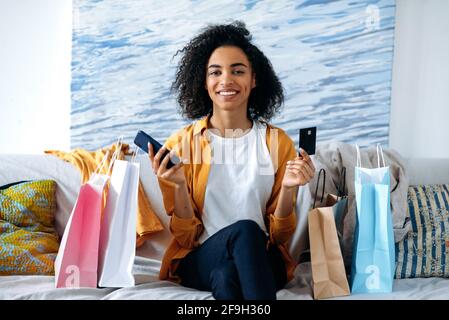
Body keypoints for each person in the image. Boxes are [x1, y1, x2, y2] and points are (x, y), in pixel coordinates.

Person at [148, 21, 315, 300]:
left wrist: (288, 188)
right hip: (202, 256)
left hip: (261, 257)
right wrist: (177, 186)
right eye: (216, 72)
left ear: (254, 80)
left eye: (238, 71)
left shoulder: (276, 142)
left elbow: (280, 236)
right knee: (244, 232)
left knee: (227, 275)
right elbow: (187, 238)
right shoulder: (182, 145)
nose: (226, 80)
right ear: (204, 81)